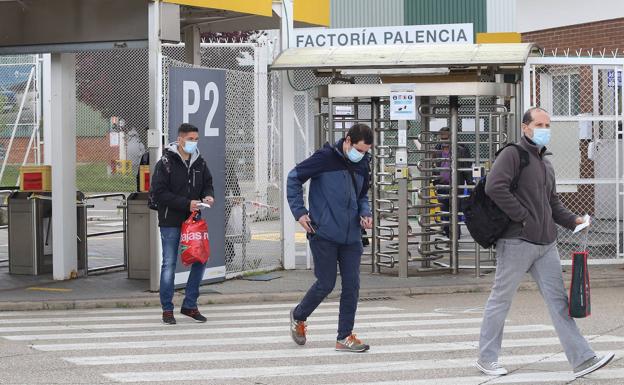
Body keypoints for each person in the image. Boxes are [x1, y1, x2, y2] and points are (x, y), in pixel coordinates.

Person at [476, 107, 614, 378]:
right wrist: (523, 217)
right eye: (539, 124)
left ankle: (583, 359)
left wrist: (574, 221)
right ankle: (486, 358)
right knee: (501, 300)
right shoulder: (512, 154)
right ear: (525, 127)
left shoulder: (545, 162)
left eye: (548, 124)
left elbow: (552, 203)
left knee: (559, 303)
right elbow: (495, 186)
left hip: (545, 244)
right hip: (516, 242)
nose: (544, 129)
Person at [287, 124, 374, 352]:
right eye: (359, 150)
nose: (362, 155)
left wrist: (365, 213)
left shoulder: (363, 163)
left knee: (352, 286)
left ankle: (344, 337)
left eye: (365, 152)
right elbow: (293, 178)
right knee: (326, 283)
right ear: (347, 141)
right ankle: (298, 315)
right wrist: (300, 211)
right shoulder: (324, 158)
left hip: (352, 236)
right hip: (323, 233)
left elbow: (362, 195)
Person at [150, 123, 215, 325]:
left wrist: (208, 196)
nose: (193, 143)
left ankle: (189, 305)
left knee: (200, 259)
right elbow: (160, 193)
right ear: (180, 139)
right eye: (190, 139)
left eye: (196, 139)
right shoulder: (166, 162)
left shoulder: (199, 162)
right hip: (170, 220)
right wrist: (187, 204)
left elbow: (208, 183)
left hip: (193, 221)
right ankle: (167, 309)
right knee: (169, 263)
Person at [433, 127, 473, 238]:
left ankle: (455, 236)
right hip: (442, 186)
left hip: (456, 185)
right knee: (444, 212)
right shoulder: (437, 149)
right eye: (442, 138)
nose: (444, 141)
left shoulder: (461, 149)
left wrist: (470, 184)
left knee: (456, 212)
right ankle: (447, 234)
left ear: (452, 137)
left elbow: (467, 167)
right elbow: (434, 166)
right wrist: (435, 180)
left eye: (446, 138)